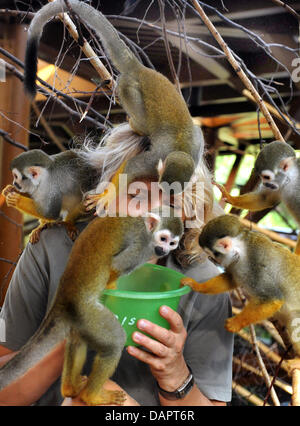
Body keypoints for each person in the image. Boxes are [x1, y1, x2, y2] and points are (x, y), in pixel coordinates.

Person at [0, 151, 233, 406]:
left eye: (172, 203)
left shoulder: (203, 282)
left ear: (187, 216)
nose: (150, 215)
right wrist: (62, 338)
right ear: (104, 198)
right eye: (137, 196)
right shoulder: (51, 247)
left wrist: (174, 375)